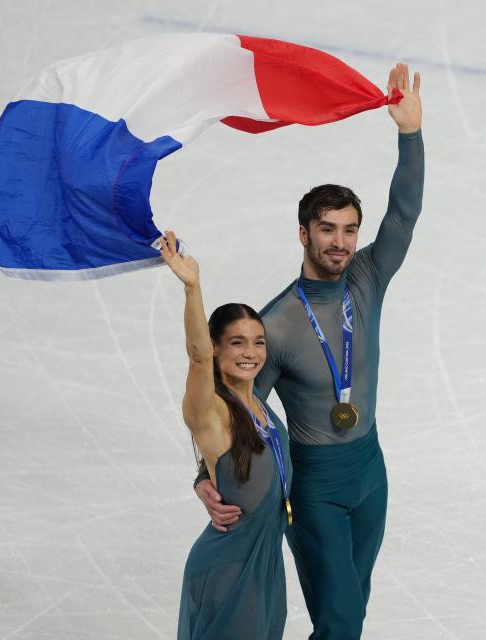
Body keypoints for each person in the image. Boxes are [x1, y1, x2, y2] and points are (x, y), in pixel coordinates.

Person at [194, 63, 424, 639]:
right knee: (341, 619)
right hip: (315, 483)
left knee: (349, 615)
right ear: (304, 234)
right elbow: (237, 403)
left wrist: (410, 134)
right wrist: (204, 471)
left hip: (371, 471)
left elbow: (404, 213)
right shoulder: (276, 323)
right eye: (327, 229)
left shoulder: (368, 277)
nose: (340, 242)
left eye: (349, 230)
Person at [159, 230, 293, 640]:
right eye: (236, 342)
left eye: (257, 342)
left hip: (266, 563)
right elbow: (197, 357)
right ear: (217, 348)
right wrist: (193, 288)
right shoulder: (212, 412)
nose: (250, 352)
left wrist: (202, 479)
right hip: (229, 567)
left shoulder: (260, 407)